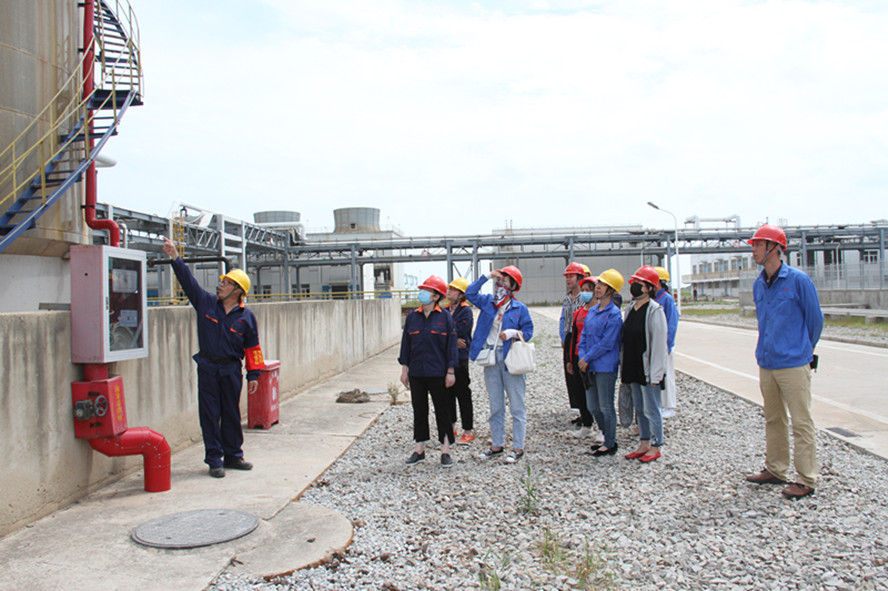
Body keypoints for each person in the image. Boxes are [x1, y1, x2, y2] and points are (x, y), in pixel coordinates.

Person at [162, 237, 264, 478]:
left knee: (231, 414)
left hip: (231, 370)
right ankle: (214, 460)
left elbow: (253, 348)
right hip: (208, 367)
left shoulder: (246, 317)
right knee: (209, 414)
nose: (221, 285)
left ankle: (233, 456)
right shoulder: (206, 304)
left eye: (226, 283)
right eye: (222, 282)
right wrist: (175, 257)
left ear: (238, 291)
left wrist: (254, 375)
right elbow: (188, 283)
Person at [744, 224, 823, 499]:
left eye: (758, 244)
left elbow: (815, 320)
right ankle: (776, 469)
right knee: (773, 419)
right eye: (753, 245)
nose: (753, 250)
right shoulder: (758, 283)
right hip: (767, 362)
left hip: (793, 363)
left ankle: (806, 479)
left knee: (801, 421)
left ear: (775, 248)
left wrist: (803, 349)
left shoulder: (799, 281)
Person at [465, 266, 534, 464]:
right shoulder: (488, 302)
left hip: (510, 356)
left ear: (513, 285)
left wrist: (512, 333)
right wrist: (487, 276)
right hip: (491, 357)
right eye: (499, 280)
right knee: (495, 404)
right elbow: (470, 293)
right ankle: (497, 445)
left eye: (505, 280)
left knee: (517, 404)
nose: (500, 283)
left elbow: (528, 331)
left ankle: (518, 448)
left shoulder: (519, 309)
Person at [398, 276, 459, 467]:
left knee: (443, 411)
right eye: (422, 289)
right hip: (416, 372)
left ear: (436, 296)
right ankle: (419, 450)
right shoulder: (413, 317)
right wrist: (404, 369)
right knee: (419, 410)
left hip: (438, 372)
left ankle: (445, 451)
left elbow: (451, 347)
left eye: (427, 290)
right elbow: (406, 344)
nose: (422, 293)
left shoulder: (445, 317)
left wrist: (450, 371)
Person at [622, 265, 669, 463]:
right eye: (633, 282)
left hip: (648, 369)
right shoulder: (630, 309)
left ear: (649, 288)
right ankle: (644, 442)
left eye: (638, 283)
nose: (633, 286)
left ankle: (656, 445)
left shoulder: (655, 311)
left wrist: (657, 374)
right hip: (632, 365)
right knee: (640, 408)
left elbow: (658, 345)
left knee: (652, 408)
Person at [577, 269, 624, 457]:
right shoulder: (593, 311)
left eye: (603, 285)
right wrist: (582, 357)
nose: (597, 288)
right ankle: (607, 436)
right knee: (593, 406)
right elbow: (584, 337)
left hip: (605, 366)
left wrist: (587, 358)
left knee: (606, 406)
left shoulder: (614, 314)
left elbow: (607, 343)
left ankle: (610, 442)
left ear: (611, 290)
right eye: (598, 284)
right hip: (589, 365)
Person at [559, 262, 594, 436]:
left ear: (580, 278)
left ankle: (590, 416)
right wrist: (563, 337)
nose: (568, 279)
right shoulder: (567, 298)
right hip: (569, 338)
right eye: (567, 276)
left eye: (571, 276)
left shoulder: (587, 298)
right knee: (572, 378)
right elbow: (563, 319)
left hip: (581, 339)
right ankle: (581, 412)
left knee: (583, 378)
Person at [445, 277, 475, 445]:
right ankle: (451, 426)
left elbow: (461, 330)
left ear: (461, 294)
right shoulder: (444, 310)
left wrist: (448, 337)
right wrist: (452, 340)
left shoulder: (466, 311)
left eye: (453, 289)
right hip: (446, 358)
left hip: (460, 358)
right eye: (449, 288)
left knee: (463, 393)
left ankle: (468, 430)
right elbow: (440, 330)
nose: (449, 292)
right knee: (448, 393)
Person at [653, 266, 680, 419]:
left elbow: (672, 324)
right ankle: (661, 404)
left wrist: (668, 344)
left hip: (665, 345)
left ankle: (670, 406)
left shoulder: (667, 299)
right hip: (656, 346)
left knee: (667, 375)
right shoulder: (655, 299)